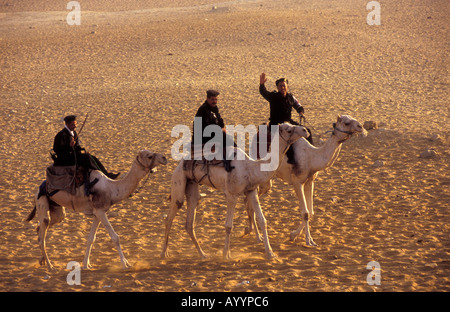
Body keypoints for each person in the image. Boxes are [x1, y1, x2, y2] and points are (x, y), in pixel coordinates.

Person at [259, 73, 313, 164]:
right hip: (276, 123)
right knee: (288, 137)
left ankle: (310, 153)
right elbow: (264, 92)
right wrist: (261, 84)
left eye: (284, 86)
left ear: (287, 87)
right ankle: (291, 159)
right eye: (280, 86)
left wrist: (301, 113)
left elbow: (299, 106)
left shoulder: (291, 97)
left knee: (307, 131)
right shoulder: (273, 97)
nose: (282, 88)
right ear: (277, 87)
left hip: (289, 122)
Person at [52, 115, 120, 179]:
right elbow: (57, 149)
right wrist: (69, 146)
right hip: (65, 159)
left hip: (74, 155)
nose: (75, 126)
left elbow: (77, 147)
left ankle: (106, 174)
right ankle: (105, 175)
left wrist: (81, 151)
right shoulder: (61, 135)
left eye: (76, 124)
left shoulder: (74, 133)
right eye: (73, 125)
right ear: (67, 124)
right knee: (87, 158)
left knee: (92, 157)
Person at [192, 90, 235, 172]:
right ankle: (227, 162)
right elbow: (206, 127)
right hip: (202, 137)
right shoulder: (203, 110)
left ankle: (234, 152)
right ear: (207, 99)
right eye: (212, 99)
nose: (214, 102)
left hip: (213, 134)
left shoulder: (214, 108)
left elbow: (220, 122)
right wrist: (219, 130)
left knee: (227, 137)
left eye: (216, 100)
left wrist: (221, 128)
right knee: (225, 138)